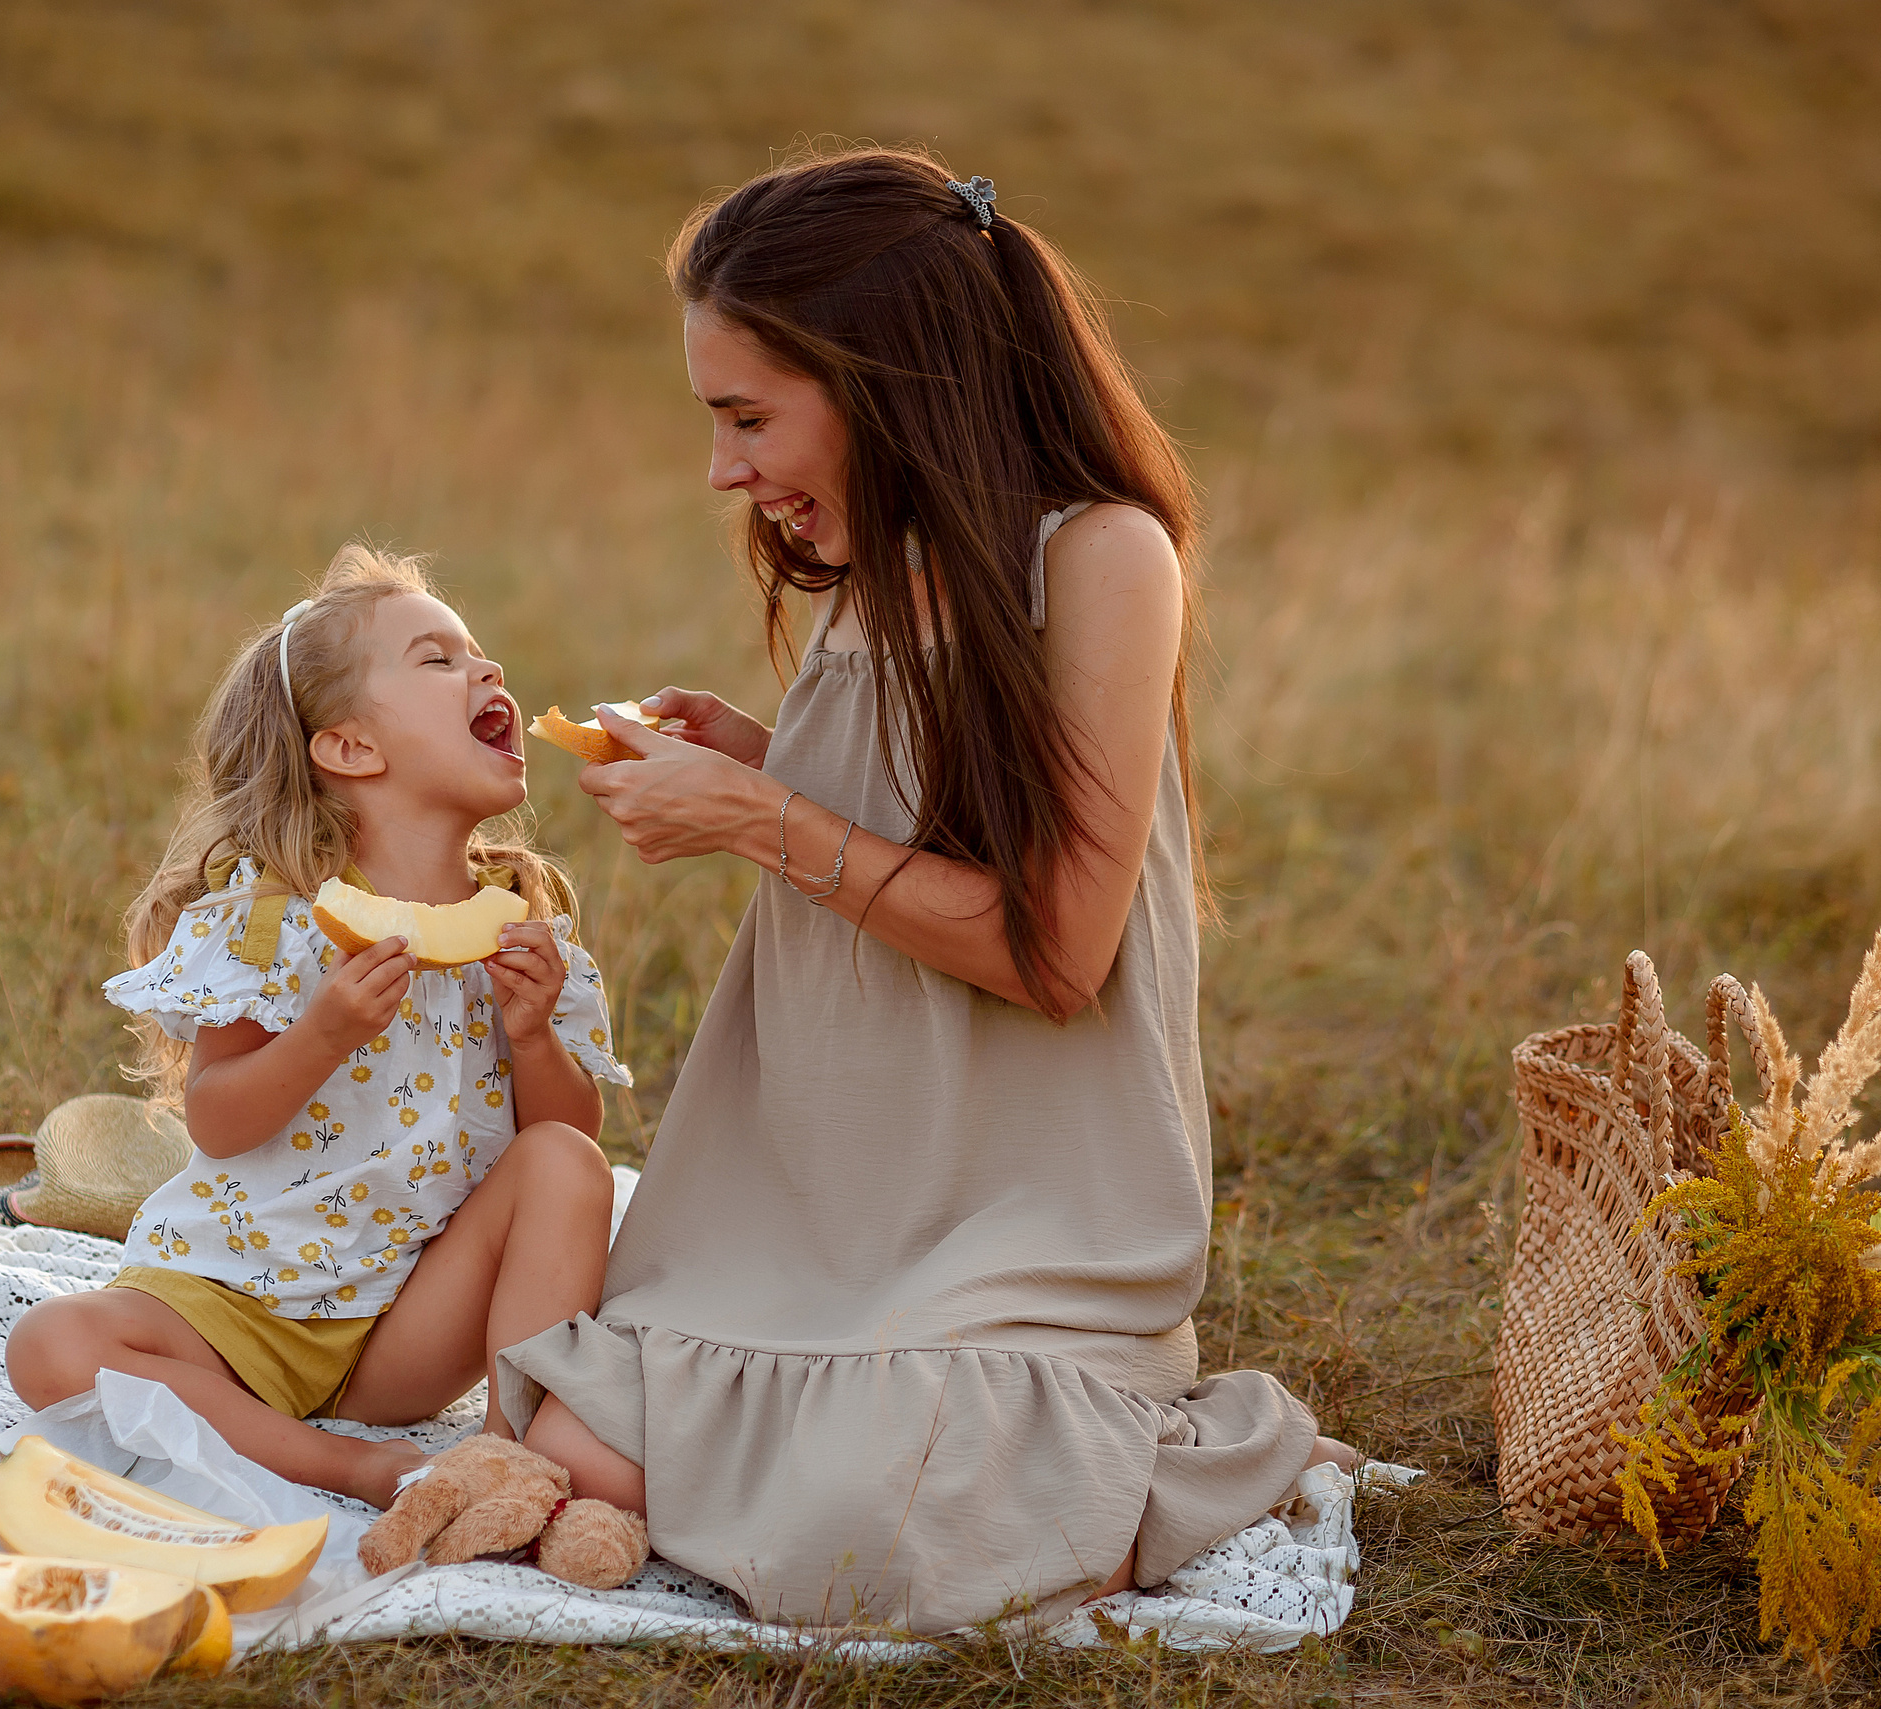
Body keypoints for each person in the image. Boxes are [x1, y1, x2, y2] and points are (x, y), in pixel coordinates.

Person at [501, 150, 1352, 1630]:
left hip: (1012, 1216)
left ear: (886, 384)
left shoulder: (1101, 558)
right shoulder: (875, 560)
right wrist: (760, 757)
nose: (723, 469)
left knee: (873, 1543)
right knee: (574, 1444)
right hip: (811, 1200)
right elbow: (917, 816)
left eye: (747, 417)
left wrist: (760, 815)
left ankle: (1121, 1444)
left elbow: (1056, 950)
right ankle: (880, 1412)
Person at [6, 545, 632, 1509]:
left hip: (404, 1327)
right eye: (439, 659)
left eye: (478, 653)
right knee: (50, 1343)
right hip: (233, 1308)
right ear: (350, 748)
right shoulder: (276, 924)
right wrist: (324, 1033)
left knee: (569, 1164)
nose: (488, 669)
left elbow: (568, 1136)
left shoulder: (518, 927)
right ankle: (358, 1468)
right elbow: (217, 1120)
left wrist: (535, 1036)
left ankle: (501, 1463)